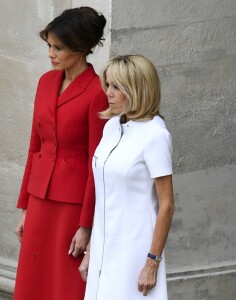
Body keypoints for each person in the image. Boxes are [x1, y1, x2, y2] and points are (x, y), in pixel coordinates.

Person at [13, 7, 108, 300]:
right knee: (34, 279)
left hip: (72, 204)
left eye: (58, 47)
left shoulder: (97, 92)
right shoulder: (46, 82)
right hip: (40, 198)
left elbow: (97, 162)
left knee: (64, 285)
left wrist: (86, 225)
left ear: (81, 48)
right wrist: (26, 207)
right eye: (49, 46)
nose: (50, 54)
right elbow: (35, 147)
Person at [80, 55, 175, 299]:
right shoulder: (111, 126)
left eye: (117, 87)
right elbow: (105, 190)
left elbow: (167, 204)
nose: (108, 93)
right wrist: (91, 250)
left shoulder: (155, 135)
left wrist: (152, 262)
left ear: (137, 90)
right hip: (103, 245)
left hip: (134, 248)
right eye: (108, 85)